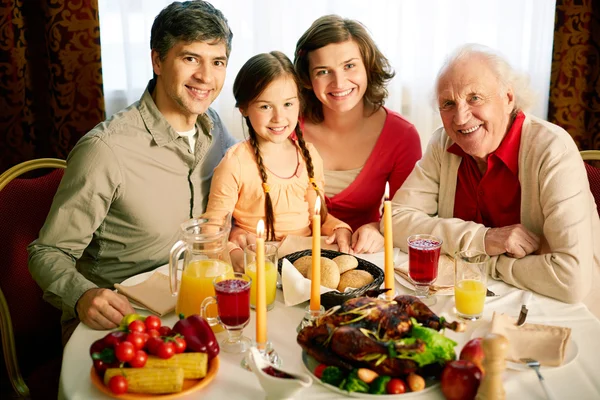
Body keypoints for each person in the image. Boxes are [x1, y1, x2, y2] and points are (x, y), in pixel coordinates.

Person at [27, 1, 237, 339]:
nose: (205, 77)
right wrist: (82, 295)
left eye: (217, 62)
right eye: (190, 58)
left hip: (194, 305)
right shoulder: (105, 150)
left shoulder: (214, 126)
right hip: (119, 321)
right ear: (157, 60)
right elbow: (48, 251)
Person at [390, 43, 600, 312]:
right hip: (478, 301)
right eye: (448, 104)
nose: (461, 117)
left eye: (475, 98)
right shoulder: (443, 144)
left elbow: (571, 280)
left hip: (561, 311)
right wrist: (483, 240)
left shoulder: (552, 150)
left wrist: (478, 262)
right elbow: (395, 221)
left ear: (508, 98)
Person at [204, 51, 352, 270]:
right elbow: (212, 231)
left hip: (305, 262)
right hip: (260, 265)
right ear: (243, 108)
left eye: (288, 105)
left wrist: (340, 229)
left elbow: (319, 218)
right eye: (265, 106)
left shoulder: (308, 156)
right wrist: (234, 252)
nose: (279, 117)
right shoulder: (235, 163)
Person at [293, 15, 422, 254]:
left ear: (368, 67)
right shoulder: (287, 128)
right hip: (294, 253)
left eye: (349, 66)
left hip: (365, 256)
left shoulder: (402, 135)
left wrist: (378, 228)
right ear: (308, 79)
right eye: (323, 71)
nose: (339, 82)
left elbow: (409, 214)